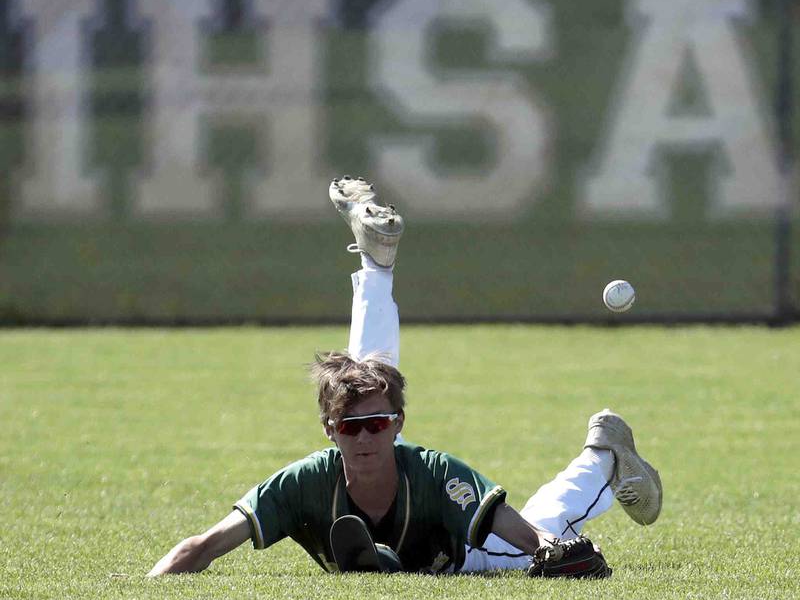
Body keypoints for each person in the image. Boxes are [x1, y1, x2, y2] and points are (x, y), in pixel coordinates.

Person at [147, 177, 662, 577]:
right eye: (351, 427)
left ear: (399, 425)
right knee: (364, 381)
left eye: (379, 424)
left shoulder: (434, 473)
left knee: (539, 529)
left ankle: (603, 458)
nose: (366, 434)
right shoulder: (303, 483)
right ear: (329, 432)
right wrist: (142, 592)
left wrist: (549, 551)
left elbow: (527, 537)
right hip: (406, 515)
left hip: (466, 556)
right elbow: (201, 548)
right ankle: (375, 265)